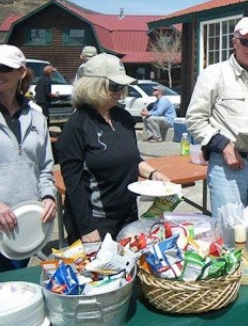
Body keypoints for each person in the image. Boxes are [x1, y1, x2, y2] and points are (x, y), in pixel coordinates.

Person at [55, 53, 169, 244]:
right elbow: (73, 184)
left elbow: (132, 159)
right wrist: (87, 228)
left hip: (128, 215)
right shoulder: (77, 125)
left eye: (122, 86)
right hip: (96, 221)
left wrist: (154, 173)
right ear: (93, 85)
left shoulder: (123, 117)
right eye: (114, 86)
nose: (119, 92)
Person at [186, 17, 248, 217]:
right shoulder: (214, 74)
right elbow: (194, 119)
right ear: (234, 42)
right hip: (226, 166)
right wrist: (223, 145)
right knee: (230, 234)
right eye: (245, 41)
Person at [0, 44, 57, 272]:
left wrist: (48, 196)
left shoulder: (35, 116)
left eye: (4, 68)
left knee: (15, 289)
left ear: (21, 72)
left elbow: (44, 166)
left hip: (26, 223)